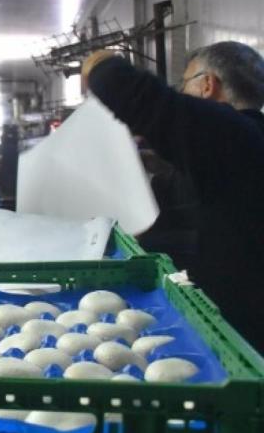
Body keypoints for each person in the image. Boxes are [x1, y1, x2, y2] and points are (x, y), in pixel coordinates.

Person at [83, 42, 264, 350]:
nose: (181, 92)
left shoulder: (230, 131)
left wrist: (95, 64)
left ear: (208, 85)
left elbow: (124, 88)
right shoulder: (246, 141)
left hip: (243, 334)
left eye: (185, 83)